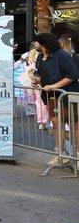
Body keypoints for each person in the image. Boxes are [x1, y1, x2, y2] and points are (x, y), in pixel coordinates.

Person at [34, 33, 79, 166]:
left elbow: (72, 75)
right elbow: (40, 74)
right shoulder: (40, 57)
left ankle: (77, 156)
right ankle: (60, 154)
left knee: (74, 124)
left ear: (43, 44)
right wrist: (37, 80)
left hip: (67, 95)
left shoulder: (62, 55)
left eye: (37, 42)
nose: (35, 45)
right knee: (56, 124)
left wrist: (54, 86)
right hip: (50, 97)